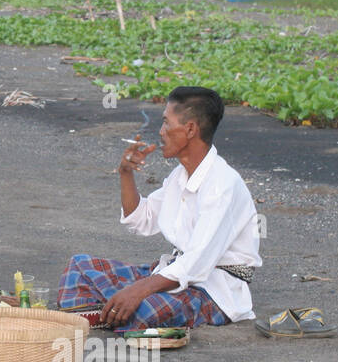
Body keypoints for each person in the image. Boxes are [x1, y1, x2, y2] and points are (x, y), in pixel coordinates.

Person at [56, 86, 262, 332]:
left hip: (213, 290)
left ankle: (106, 312)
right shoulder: (179, 175)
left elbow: (197, 263)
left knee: (144, 310)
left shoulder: (222, 185)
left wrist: (138, 290)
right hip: (172, 273)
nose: (161, 132)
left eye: (166, 123)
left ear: (190, 129)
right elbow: (141, 220)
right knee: (79, 267)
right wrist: (125, 174)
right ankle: (111, 312)